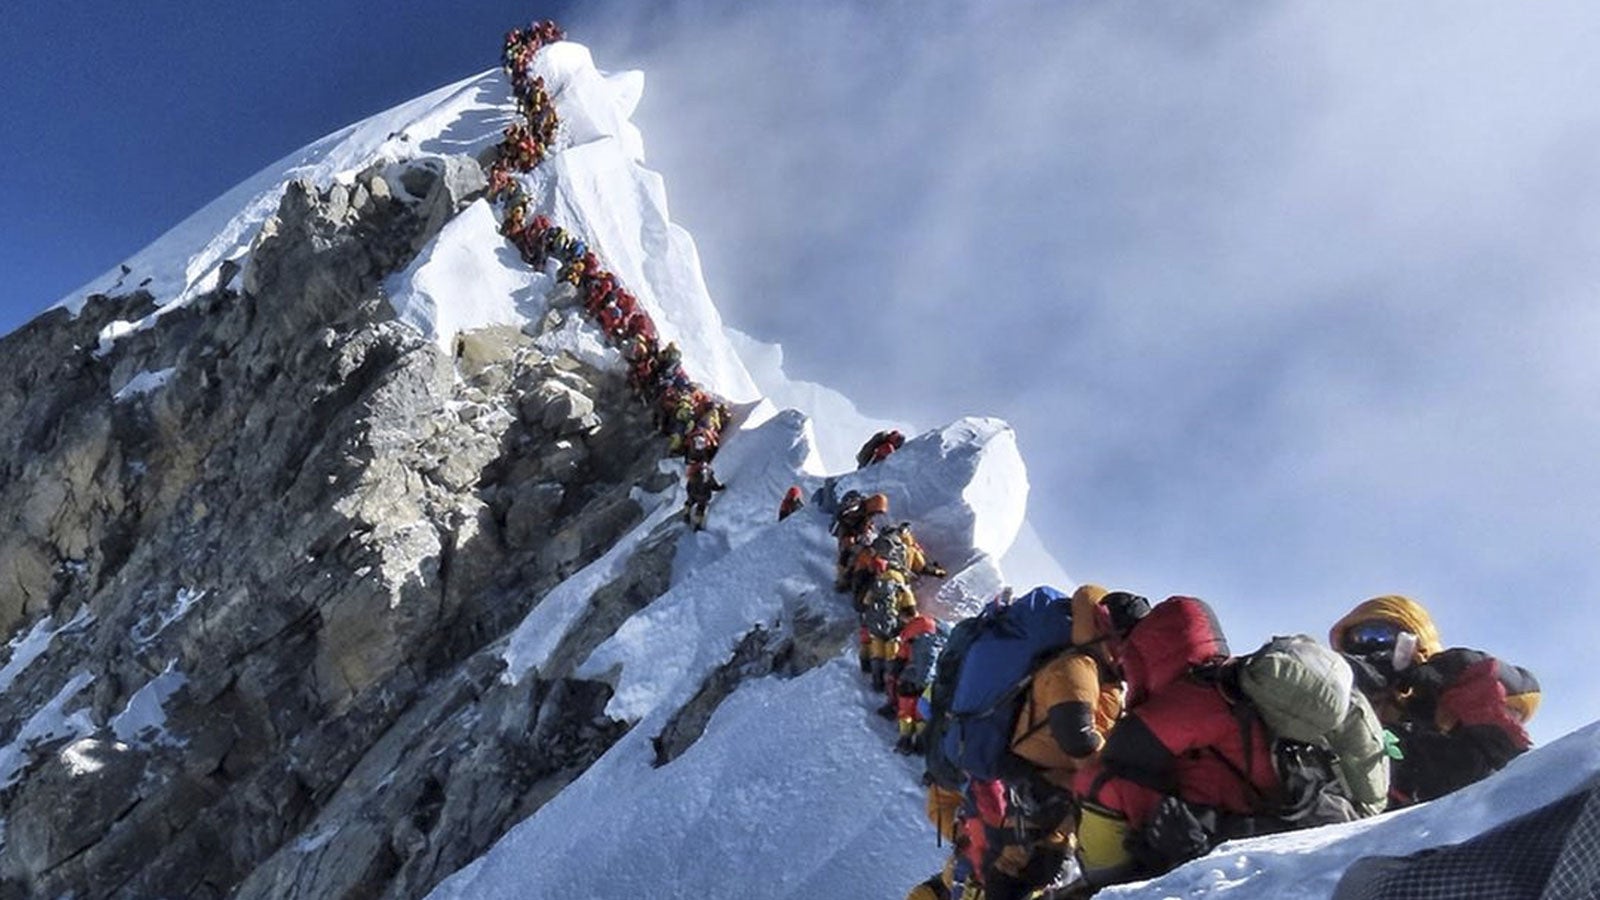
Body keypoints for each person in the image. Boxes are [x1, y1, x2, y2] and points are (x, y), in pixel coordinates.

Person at [1330, 594, 1541, 807]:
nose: (1370, 646)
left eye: (1381, 634)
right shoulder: (1335, 708)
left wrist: (1461, 667)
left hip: (1453, 817)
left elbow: (1525, 694)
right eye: (1358, 639)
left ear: (1415, 643)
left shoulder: (1442, 708)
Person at [682, 462, 724, 531]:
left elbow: (688, 486)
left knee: (689, 502)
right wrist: (720, 488)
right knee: (701, 508)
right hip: (703, 495)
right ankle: (697, 525)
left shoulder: (692, 473)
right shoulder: (707, 475)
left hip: (692, 493)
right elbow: (713, 485)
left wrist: (689, 494)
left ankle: (686, 514)